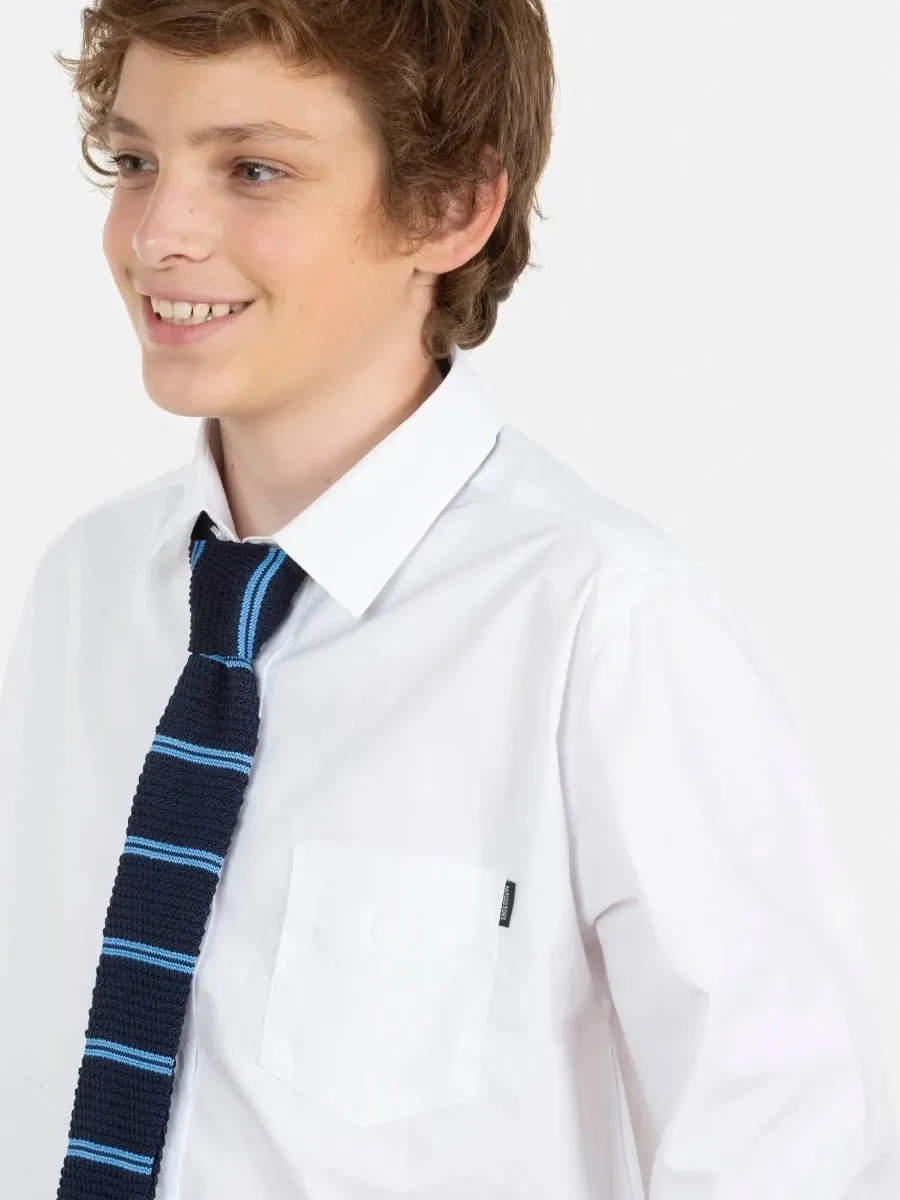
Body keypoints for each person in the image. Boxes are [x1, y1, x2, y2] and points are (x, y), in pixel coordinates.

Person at [1, 1, 897, 1197]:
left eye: (254, 169)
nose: (160, 233)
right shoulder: (86, 588)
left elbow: (790, 1154)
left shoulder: (602, 627)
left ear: (451, 207)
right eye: (134, 163)